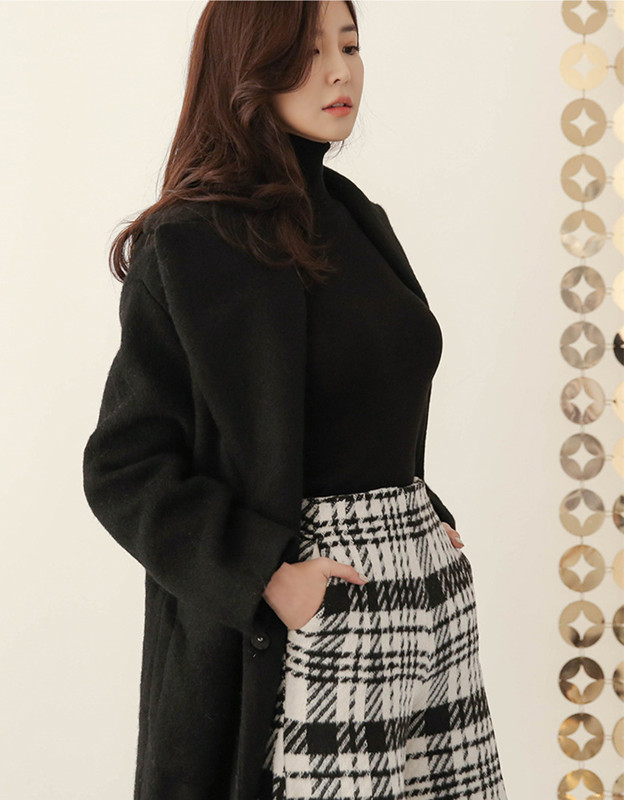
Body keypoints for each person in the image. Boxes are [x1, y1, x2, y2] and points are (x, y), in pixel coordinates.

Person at [82, 2, 508, 799]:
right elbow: (123, 466)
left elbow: (366, 402)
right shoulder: (191, 242)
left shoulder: (355, 216)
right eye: (307, 53)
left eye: (350, 45)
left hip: (428, 601)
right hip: (309, 612)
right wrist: (263, 574)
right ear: (247, 68)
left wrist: (423, 520)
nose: (340, 71)